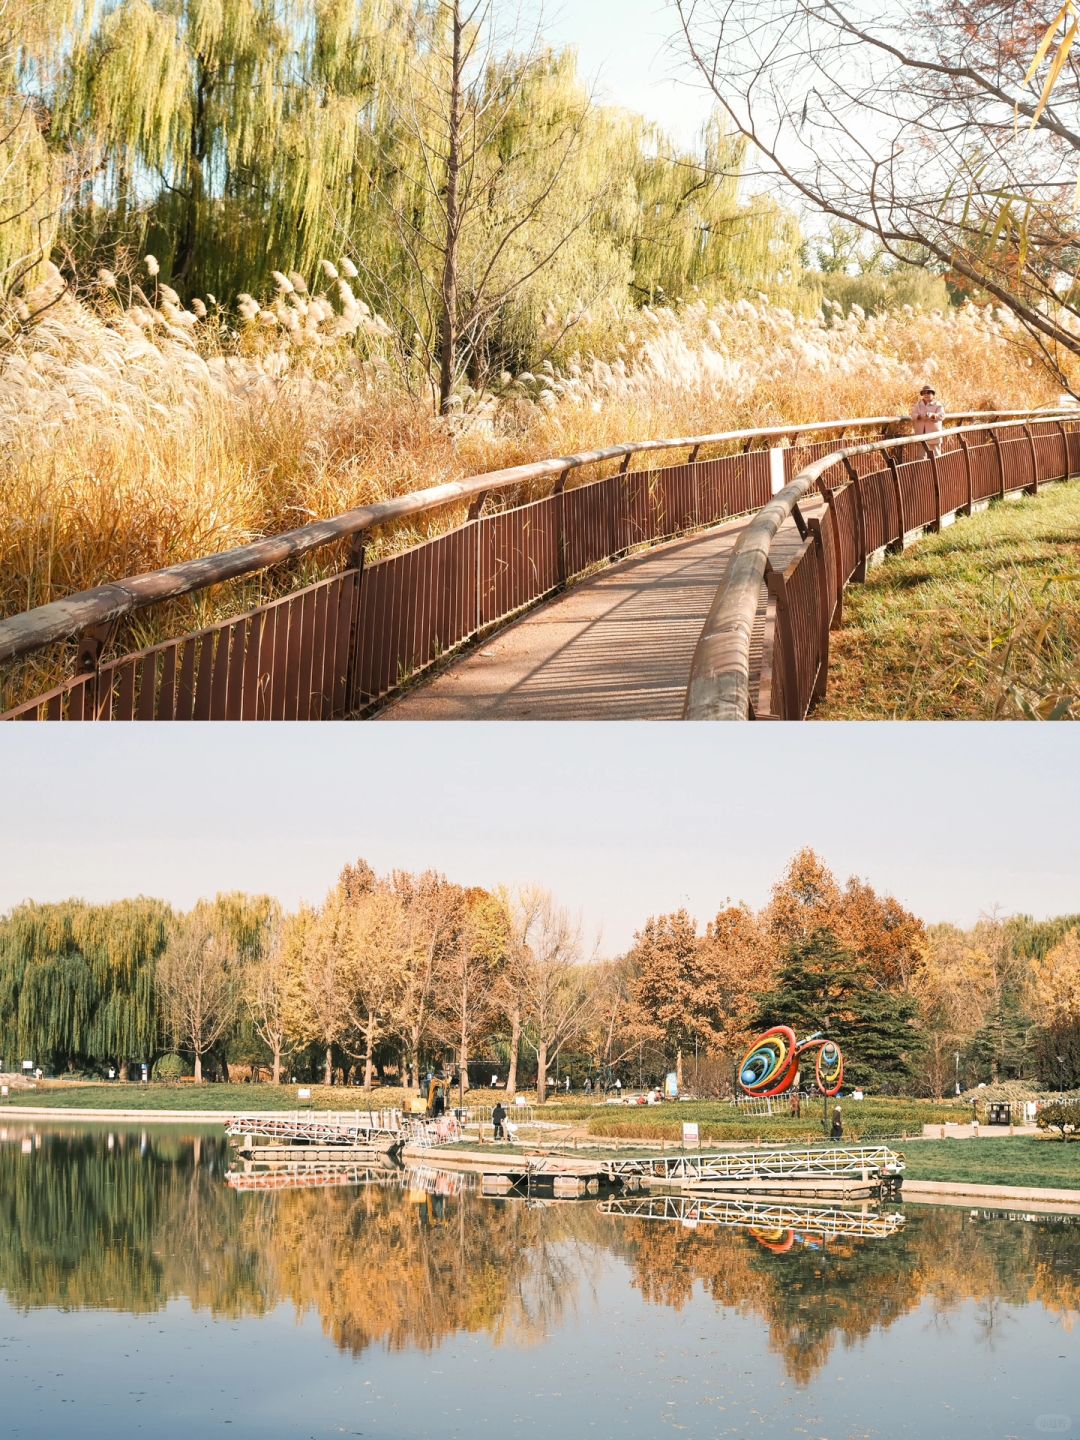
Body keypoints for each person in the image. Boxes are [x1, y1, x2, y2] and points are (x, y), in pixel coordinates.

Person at [911, 385, 945, 454]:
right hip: (921, 434)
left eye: (928, 393)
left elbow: (942, 416)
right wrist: (919, 416)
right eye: (924, 393)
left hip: (934, 435)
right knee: (921, 458)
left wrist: (933, 415)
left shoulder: (938, 405)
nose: (926, 395)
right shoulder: (918, 405)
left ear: (933, 394)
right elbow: (913, 415)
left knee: (936, 456)